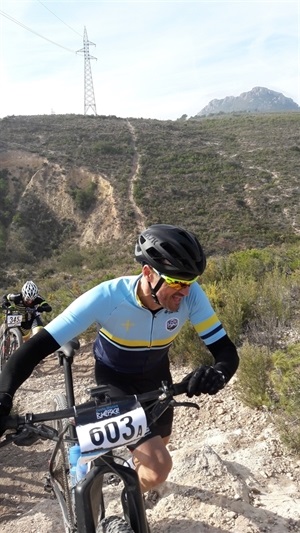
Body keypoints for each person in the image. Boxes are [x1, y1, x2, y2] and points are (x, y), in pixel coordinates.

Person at [0, 224, 239, 494]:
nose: (184, 293)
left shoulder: (191, 296)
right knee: (159, 466)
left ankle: (129, 493)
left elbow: (225, 350)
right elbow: (34, 349)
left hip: (157, 380)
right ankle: (110, 493)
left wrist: (218, 373)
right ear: (148, 273)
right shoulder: (107, 297)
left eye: (190, 282)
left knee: (156, 453)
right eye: (176, 283)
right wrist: (4, 395)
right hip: (115, 381)